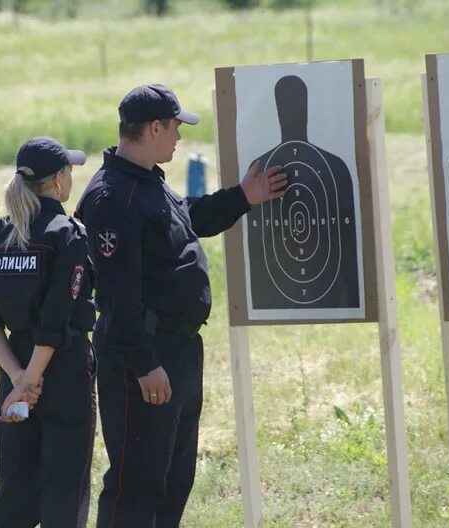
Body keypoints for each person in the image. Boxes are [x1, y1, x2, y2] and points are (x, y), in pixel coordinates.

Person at [75, 84, 287, 527]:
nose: (179, 136)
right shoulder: (114, 198)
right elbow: (117, 294)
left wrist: (241, 197)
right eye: (175, 127)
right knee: (136, 484)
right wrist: (144, 363)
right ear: (154, 128)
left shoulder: (146, 182)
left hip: (177, 349)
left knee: (172, 480)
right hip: (146, 355)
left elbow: (186, 217)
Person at [0, 137, 97, 528]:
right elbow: (56, 320)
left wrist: (17, 379)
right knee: (64, 491)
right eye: (69, 170)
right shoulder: (66, 232)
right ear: (57, 181)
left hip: (15, 372)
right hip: (63, 373)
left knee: (16, 491)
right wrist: (32, 380)